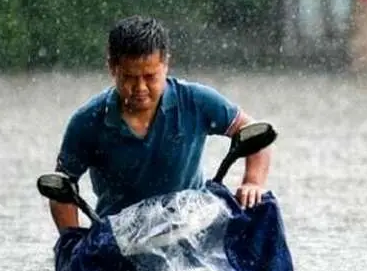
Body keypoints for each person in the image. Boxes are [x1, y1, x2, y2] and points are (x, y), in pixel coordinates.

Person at [47, 15, 270, 232]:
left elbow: (255, 134)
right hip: (120, 238)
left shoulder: (196, 101)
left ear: (166, 64)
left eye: (150, 77)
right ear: (112, 68)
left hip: (190, 227)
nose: (140, 88)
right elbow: (61, 187)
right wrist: (71, 239)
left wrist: (253, 182)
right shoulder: (87, 121)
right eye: (129, 77)